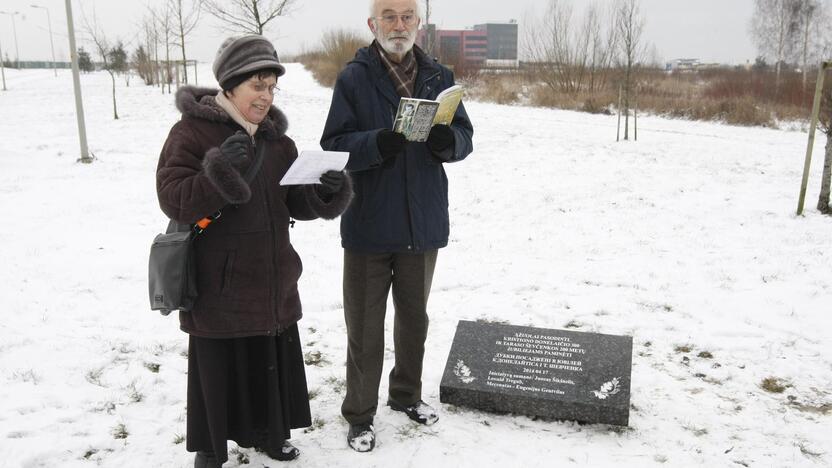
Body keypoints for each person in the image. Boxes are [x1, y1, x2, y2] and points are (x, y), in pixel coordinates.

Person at [156, 35, 352, 467]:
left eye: (271, 88)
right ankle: (211, 448)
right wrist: (219, 171)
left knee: (269, 358)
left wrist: (324, 189)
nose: (266, 97)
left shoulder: (277, 142)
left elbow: (294, 202)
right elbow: (173, 199)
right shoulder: (189, 133)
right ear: (229, 87)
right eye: (257, 87)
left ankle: (269, 432)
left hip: (271, 277)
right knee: (219, 366)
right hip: (218, 282)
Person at [320, 0, 474, 453]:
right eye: (389, 16)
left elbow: (465, 136)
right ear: (373, 24)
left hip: (421, 222)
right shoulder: (354, 77)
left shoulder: (439, 78)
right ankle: (360, 415)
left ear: (418, 26)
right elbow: (333, 144)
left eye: (407, 17)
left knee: (414, 321)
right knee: (365, 328)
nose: (399, 25)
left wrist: (451, 142)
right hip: (369, 223)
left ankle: (406, 395)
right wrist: (374, 143)